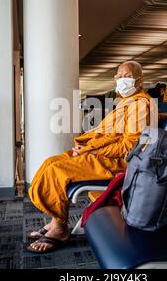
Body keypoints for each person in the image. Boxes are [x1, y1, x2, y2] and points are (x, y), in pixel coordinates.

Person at [27, 61, 152, 253]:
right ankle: (55, 220)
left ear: (139, 80)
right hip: (102, 153)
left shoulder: (141, 104)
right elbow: (108, 134)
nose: (121, 80)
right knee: (50, 162)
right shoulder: (125, 103)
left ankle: (60, 227)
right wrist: (86, 146)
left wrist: (94, 151)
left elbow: (130, 147)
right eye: (118, 76)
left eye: (126, 76)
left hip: (116, 162)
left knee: (56, 170)